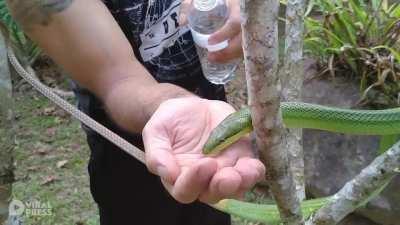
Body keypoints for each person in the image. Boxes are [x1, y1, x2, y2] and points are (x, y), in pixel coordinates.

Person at [8, 0, 266, 224]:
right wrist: (171, 104)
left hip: (210, 116)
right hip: (130, 141)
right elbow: (117, 78)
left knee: (211, 206)